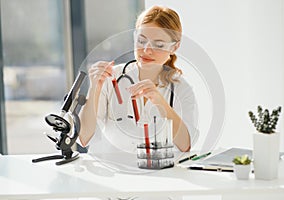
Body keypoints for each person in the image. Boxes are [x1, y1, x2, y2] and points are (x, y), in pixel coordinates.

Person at [78, 5, 199, 153]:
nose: (147, 50)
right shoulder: (112, 78)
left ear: (174, 47)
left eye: (158, 44)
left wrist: (161, 103)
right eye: (141, 41)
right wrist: (94, 88)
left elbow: (185, 145)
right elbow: (83, 137)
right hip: (113, 170)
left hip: (158, 173)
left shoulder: (181, 88)